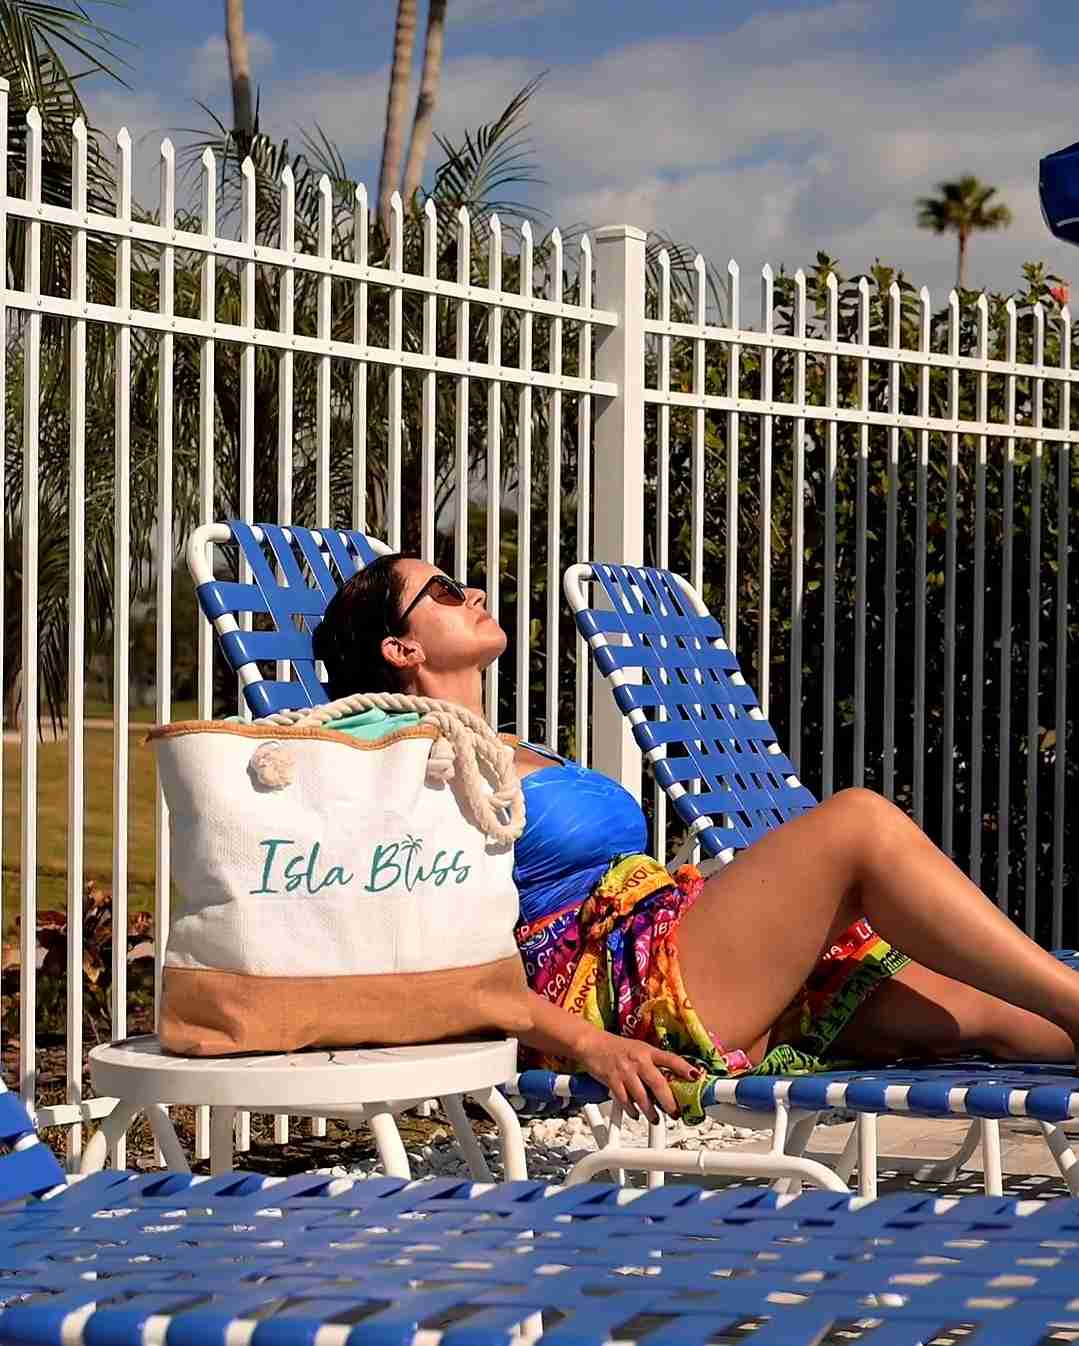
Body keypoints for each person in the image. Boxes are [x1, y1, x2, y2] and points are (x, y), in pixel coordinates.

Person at [311, 554, 1079, 1124]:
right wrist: (587, 1046)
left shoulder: (509, 745)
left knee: (1005, 1018)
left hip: (679, 950)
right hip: (611, 994)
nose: (472, 591)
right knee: (858, 825)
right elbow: (439, 962)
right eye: (442, 592)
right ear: (399, 650)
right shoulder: (412, 761)